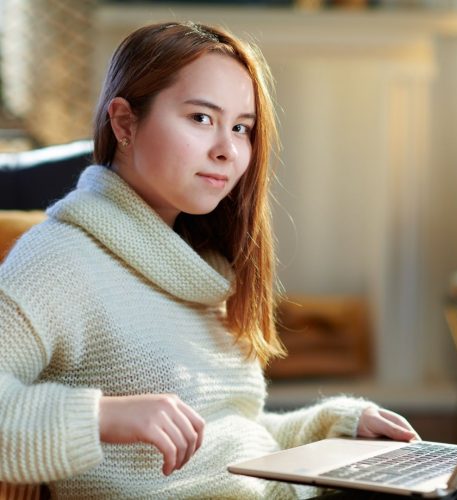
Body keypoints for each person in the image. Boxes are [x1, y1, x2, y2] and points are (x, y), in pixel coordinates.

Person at [0, 22, 420, 499]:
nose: (227, 150)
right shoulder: (61, 258)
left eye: (242, 128)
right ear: (124, 123)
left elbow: (226, 435)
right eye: (201, 118)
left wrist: (338, 426)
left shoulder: (200, 266)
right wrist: (102, 415)